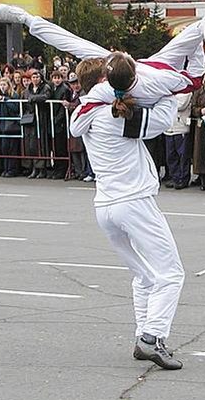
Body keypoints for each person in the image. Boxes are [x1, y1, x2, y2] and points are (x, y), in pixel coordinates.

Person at [69, 58, 185, 370]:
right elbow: (161, 121)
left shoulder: (86, 113)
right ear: (103, 82)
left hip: (105, 204)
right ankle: (152, 336)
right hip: (133, 201)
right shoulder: (112, 116)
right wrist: (164, 88)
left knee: (144, 275)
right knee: (171, 273)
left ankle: (143, 336)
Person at [0, 3, 205, 109]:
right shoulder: (115, 86)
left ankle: (26, 18)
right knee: (77, 45)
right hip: (155, 76)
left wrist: (197, 44)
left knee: (76, 44)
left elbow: (194, 76)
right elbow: (195, 79)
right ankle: (200, 27)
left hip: (151, 72)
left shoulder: (108, 88)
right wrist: (197, 43)